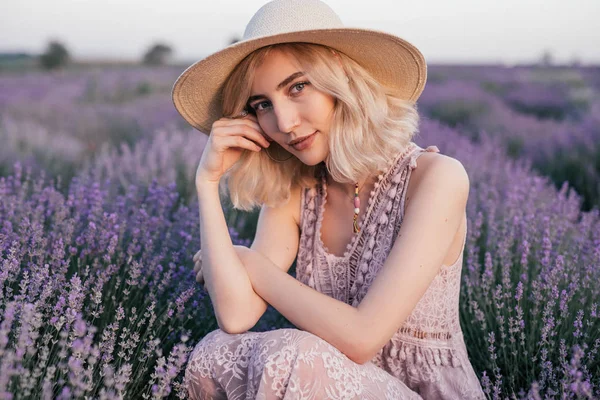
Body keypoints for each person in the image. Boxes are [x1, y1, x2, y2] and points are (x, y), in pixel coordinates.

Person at [173, 0, 486, 398]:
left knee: (295, 357)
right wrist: (207, 181)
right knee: (214, 353)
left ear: (341, 80)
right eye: (262, 105)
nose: (284, 123)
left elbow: (362, 338)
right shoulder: (295, 190)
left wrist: (248, 261)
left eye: (298, 87)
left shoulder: (436, 178)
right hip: (321, 383)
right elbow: (236, 316)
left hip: (423, 393)